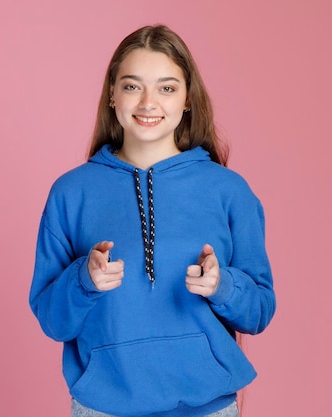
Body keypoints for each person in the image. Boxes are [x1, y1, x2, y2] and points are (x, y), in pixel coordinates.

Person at [29, 24, 276, 417]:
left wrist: (222, 286)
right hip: (103, 407)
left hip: (207, 407)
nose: (148, 103)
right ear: (112, 94)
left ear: (188, 99)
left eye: (166, 88)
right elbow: (52, 320)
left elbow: (260, 310)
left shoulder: (228, 190)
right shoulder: (70, 193)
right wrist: (83, 280)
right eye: (131, 86)